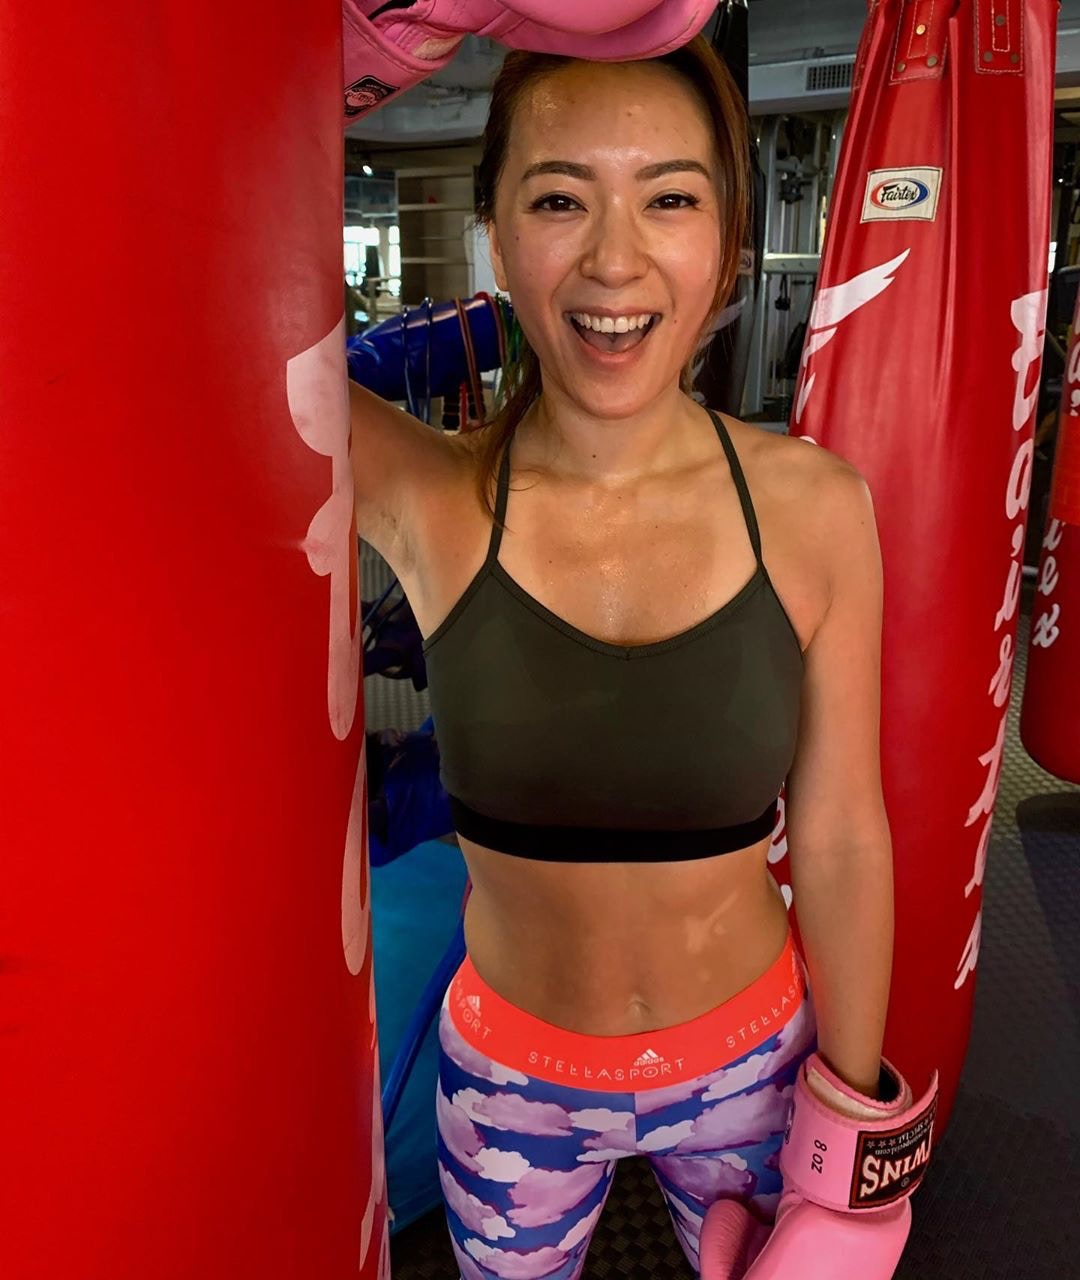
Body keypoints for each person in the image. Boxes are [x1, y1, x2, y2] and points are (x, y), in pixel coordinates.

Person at [349, 31, 904, 1280]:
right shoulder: (430, 494)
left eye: (669, 199)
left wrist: (852, 1112)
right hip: (514, 1081)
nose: (614, 258)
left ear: (727, 242)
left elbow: (841, 832)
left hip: (757, 1067)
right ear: (496, 236)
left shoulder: (816, 506)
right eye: (560, 199)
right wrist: (369, 38)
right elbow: (195, 327)